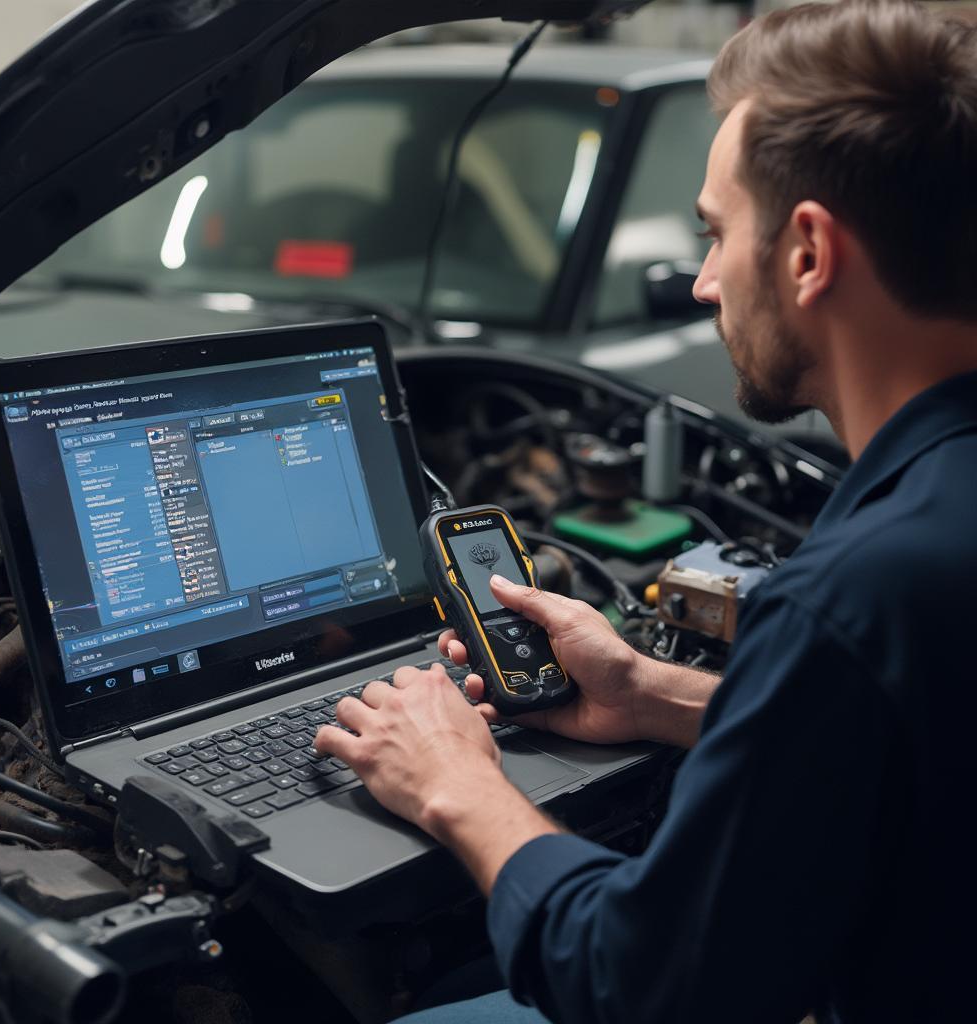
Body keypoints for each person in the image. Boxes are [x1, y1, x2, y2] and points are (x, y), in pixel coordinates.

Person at [315, 1, 977, 1020]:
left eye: (716, 233)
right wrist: (651, 691)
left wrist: (457, 784)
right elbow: (919, 740)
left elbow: (634, 981)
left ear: (806, 252)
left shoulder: (854, 597)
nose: (706, 281)